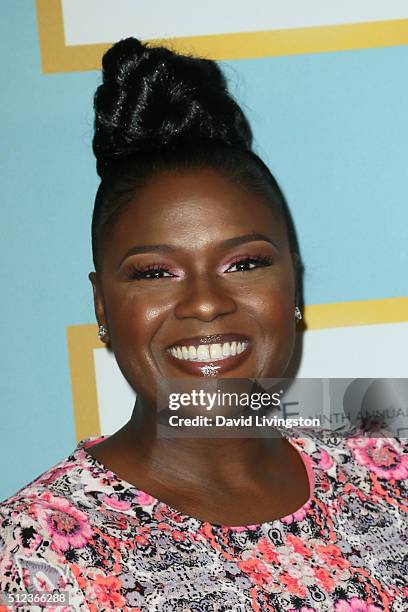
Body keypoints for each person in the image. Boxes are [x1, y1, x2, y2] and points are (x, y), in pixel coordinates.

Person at [0, 37, 406, 611]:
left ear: (294, 284)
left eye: (244, 263)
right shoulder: (37, 554)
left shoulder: (386, 472)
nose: (206, 302)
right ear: (102, 307)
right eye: (155, 273)